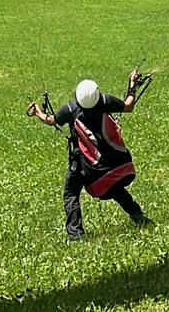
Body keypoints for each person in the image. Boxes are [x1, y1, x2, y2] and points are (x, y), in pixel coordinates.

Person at [29, 73, 151, 239]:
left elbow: (51, 120)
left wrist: (37, 112)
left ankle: (76, 234)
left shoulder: (71, 109)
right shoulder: (104, 101)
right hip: (109, 164)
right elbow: (128, 105)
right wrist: (132, 84)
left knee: (71, 193)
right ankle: (137, 215)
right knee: (115, 188)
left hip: (84, 166)